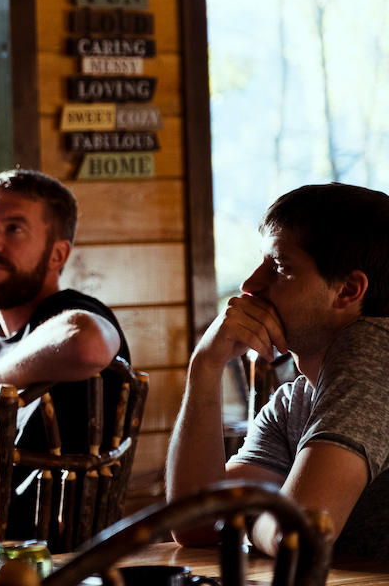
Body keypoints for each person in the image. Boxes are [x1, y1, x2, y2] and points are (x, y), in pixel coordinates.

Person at [167, 183, 389, 559]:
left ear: (348, 290)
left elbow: (299, 537)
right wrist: (205, 366)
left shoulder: (378, 351)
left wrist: (245, 520)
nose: (250, 284)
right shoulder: (296, 400)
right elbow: (197, 524)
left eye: (280, 267)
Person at [0, 168, 129, 538]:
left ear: (58, 255)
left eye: (13, 228)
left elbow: (86, 341)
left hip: (56, 556)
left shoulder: (72, 313)